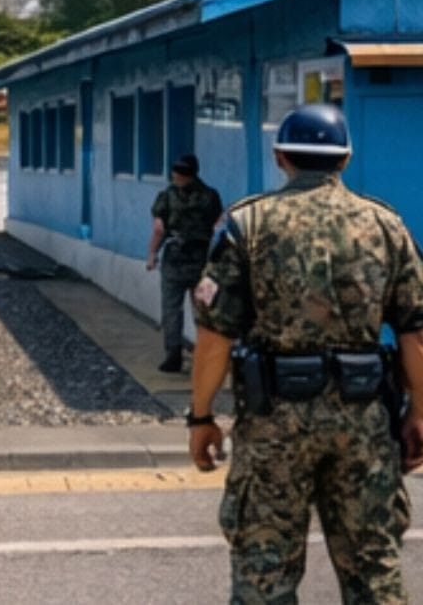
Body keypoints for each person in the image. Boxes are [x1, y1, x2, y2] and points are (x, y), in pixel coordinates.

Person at [188, 103, 423, 603]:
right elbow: (415, 333)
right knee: (373, 568)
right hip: (363, 420)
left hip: (275, 422)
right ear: (345, 159)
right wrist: (420, 412)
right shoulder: (386, 226)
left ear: (280, 157)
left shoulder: (246, 226)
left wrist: (201, 416)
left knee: (264, 571)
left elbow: (215, 335)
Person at [147, 154, 224, 373]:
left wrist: (152, 254)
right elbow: (218, 227)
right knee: (204, 309)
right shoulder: (210, 195)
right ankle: (207, 355)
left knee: (172, 309)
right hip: (202, 261)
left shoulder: (167, 196)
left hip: (175, 259)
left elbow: (158, 229)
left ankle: (173, 355)